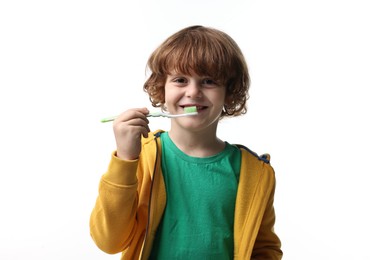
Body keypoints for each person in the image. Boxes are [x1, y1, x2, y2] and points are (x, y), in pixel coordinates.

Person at [90, 25, 283, 260]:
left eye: (209, 81)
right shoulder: (140, 156)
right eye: (180, 80)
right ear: (162, 87)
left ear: (229, 92)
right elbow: (109, 241)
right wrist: (126, 159)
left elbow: (265, 249)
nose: (193, 92)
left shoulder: (254, 172)